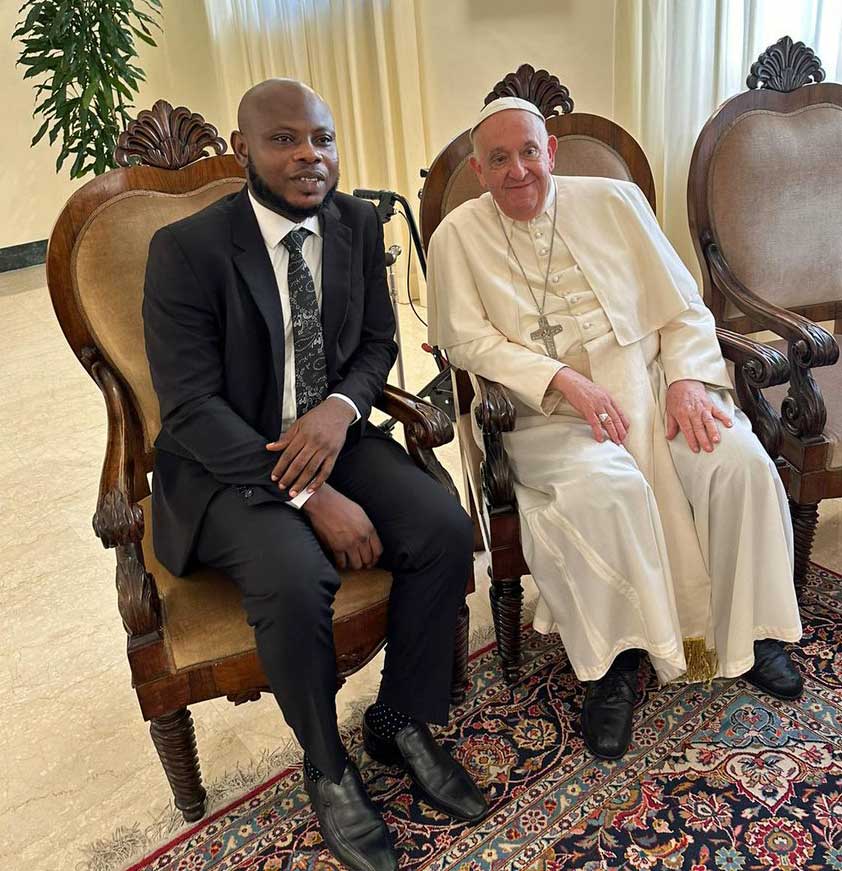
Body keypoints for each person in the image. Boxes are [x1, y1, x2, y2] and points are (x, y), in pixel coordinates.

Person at [142, 78, 486, 871]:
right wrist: (305, 491)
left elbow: (374, 346)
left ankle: (399, 717)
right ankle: (327, 766)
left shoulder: (358, 223)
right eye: (284, 139)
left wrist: (337, 410)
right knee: (296, 576)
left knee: (440, 526)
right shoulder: (187, 251)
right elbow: (189, 408)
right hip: (228, 464)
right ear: (243, 150)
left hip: (328, 431)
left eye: (322, 139)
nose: (309, 156)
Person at [427, 96, 803, 760]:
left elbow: (684, 304)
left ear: (553, 153)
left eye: (529, 152)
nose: (518, 171)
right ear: (479, 170)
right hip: (551, 415)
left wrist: (688, 376)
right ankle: (615, 666)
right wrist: (559, 378)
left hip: (655, 388)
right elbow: (466, 341)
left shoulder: (615, 201)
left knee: (738, 461)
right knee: (606, 494)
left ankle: (754, 633)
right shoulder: (457, 235)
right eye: (498, 158)